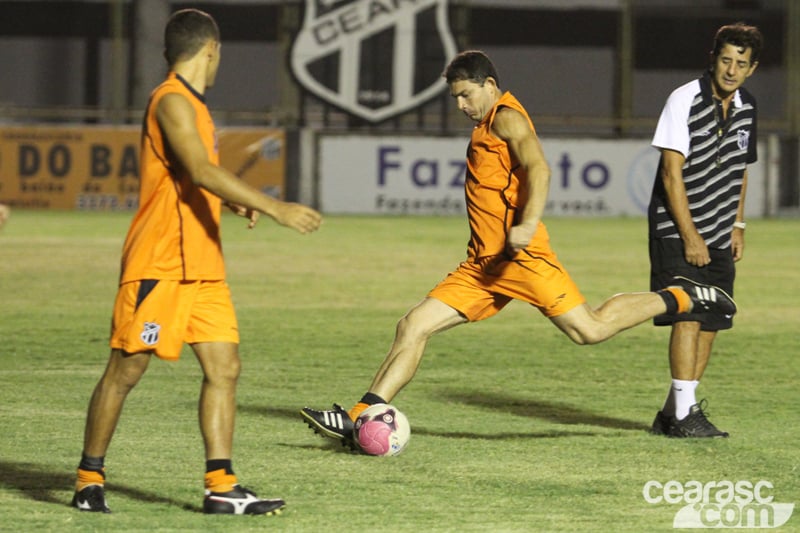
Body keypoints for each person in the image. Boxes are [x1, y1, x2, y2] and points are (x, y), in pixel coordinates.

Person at [301, 50, 735, 449]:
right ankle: (358, 416)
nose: (461, 105)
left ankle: (681, 295)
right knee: (412, 325)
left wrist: (527, 223)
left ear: (489, 85)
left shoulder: (506, 117)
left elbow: (539, 166)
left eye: (466, 95)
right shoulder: (483, 125)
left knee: (591, 330)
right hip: (482, 267)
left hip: (522, 260)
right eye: (455, 97)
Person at [71, 9, 321, 515]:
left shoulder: (196, 107)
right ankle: (88, 477)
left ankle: (221, 487)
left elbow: (193, 177)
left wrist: (227, 200)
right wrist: (276, 206)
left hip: (203, 267)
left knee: (224, 367)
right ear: (212, 49)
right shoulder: (172, 100)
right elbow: (201, 168)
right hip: (160, 263)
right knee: (126, 370)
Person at [648, 23, 761, 438]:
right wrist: (691, 235)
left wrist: (737, 223)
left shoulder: (748, 106)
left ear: (752, 69)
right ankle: (685, 413)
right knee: (689, 313)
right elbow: (671, 174)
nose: (732, 70)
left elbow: (740, 170)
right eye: (726, 59)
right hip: (677, 230)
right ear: (713, 59)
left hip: (720, 230)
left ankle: (673, 413)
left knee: (713, 318)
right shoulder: (684, 98)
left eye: (741, 64)